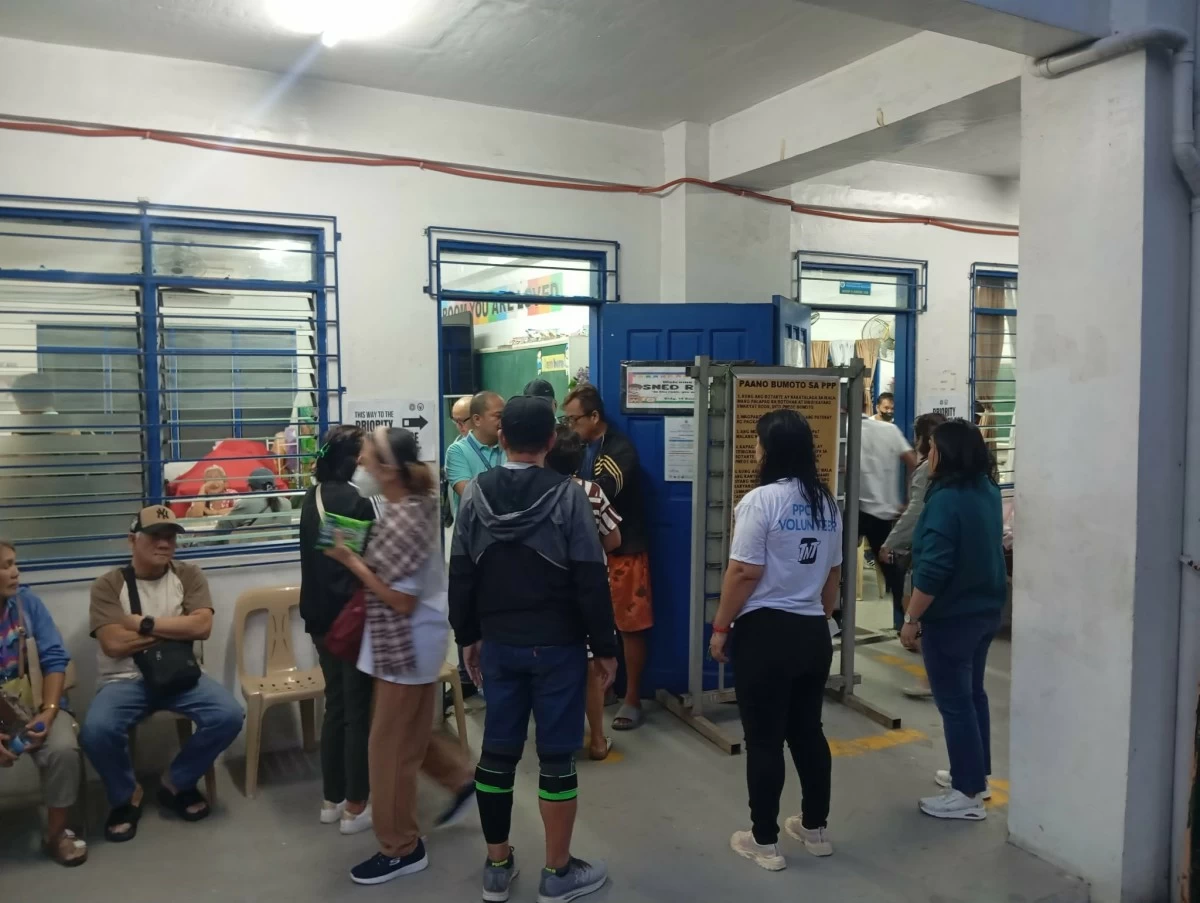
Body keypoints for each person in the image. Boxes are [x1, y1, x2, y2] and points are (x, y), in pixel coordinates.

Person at [450, 395, 618, 903]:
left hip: (499, 644)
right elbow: (590, 578)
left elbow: (461, 573)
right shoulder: (569, 496)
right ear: (550, 441)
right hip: (560, 647)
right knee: (556, 759)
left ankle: (497, 867)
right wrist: (605, 646)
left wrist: (467, 638)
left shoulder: (474, 494)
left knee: (496, 754)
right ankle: (558, 872)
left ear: (501, 439)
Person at [323, 427, 475, 885]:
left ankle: (400, 847)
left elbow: (402, 600)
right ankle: (463, 782)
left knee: (386, 751)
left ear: (388, 469)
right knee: (407, 736)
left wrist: (350, 563)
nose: (362, 464)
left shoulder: (408, 517)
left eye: (367, 456)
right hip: (399, 644)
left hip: (405, 644)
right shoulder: (400, 506)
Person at [709, 410, 842, 871]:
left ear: (771, 451)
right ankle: (815, 827)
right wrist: (815, 618)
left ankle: (764, 841)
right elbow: (833, 577)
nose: (757, 450)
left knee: (764, 740)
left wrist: (721, 626)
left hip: (766, 633)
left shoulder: (760, 501)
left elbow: (745, 571)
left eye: (760, 443)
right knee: (808, 732)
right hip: (811, 632)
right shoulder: (827, 502)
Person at [80, 506, 244, 843]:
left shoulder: (189, 575)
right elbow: (112, 643)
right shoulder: (108, 585)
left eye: (170, 537)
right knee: (96, 731)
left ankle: (176, 782)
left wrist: (143, 623)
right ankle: (126, 796)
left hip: (180, 677)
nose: (164, 543)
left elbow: (203, 626)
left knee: (228, 714)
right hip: (123, 681)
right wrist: (176, 630)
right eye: (155, 535)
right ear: (132, 540)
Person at [900, 419, 1007, 821]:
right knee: (973, 694)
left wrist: (911, 618)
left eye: (931, 450)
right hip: (985, 609)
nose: (926, 457)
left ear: (945, 454)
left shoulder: (945, 500)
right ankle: (975, 774)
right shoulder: (986, 489)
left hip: (953, 615)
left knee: (956, 703)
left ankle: (967, 794)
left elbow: (934, 571)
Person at [299, 425, 377, 833]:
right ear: (351, 459)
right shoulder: (353, 501)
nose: (367, 462)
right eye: (363, 454)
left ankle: (331, 799)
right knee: (358, 711)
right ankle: (356, 806)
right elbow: (350, 564)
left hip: (319, 620)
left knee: (337, 707)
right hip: (350, 622)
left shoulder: (311, 498)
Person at [562, 385, 651, 731]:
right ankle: (606, 689)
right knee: (596, 623)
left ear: (594, 417)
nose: (570, 426)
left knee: (630, 626)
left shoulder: (618, 450)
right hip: (589, 551)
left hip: (623, 549)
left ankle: (632, 697)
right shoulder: (580, 447)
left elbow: (602, 491)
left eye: (574, 419)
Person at [0, 540, 87, 866]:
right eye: (5, 566)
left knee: (63, 748)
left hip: (35, 705)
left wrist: (50, 712)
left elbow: (55, 660)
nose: (15, 572)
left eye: (14, 563)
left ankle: (56, 834)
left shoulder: (27, 605)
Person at [546, 424, 623, 762]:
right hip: (590, 590)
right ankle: (598, 740)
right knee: (591, 667)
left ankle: (559, 738)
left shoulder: (542, 491)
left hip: (551, 592)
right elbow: (614, 539)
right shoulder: (591, 491)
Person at [881, 412, 947, 698]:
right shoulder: (973, 477)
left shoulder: (928, 471)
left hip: (927, 551)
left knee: (917, 609)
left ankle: (936, 678)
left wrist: (890, 543)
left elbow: (916, 512)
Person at [859, 395, 918, 631]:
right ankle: (905, 620)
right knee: (891, 571)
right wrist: (908, 497)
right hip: (883, 510)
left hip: (851, 509)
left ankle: (835, 619)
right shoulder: (890, 430)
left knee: (835, 567)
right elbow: (912, 461)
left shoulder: (841, 429)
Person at [444, 391, 506, 520]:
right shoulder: (457, 451)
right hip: (473, 534)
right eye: (498, 416)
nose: (503, 421)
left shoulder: (511, 446)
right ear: (477, 419)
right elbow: (470, 494)